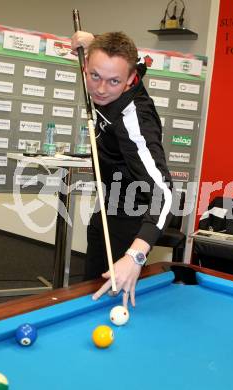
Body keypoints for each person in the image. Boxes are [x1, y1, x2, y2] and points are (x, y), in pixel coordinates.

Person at [71, 31, 172, 307]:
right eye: (95, 76)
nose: (102, 89)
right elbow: (129, 61)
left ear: (130, 79)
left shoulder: (135, 121)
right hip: (107, 208)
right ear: (86, 65)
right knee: (88, 293)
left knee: (112, 299)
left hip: (131, 219)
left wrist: (135, 255)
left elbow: (164, 194)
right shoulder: (114, 67)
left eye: (114, 81)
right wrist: (91, 41)